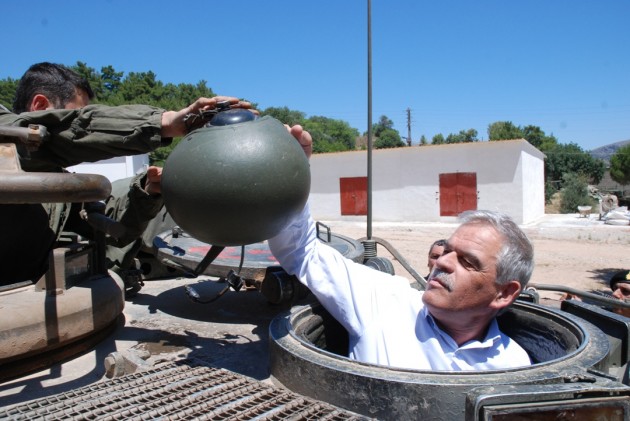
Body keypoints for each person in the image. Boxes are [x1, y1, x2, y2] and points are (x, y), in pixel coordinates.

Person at [269, 137, 535, 370]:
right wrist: (290, 170)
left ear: (504, 293)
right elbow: (301, 251)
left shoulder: (513, 366)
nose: (442, 261)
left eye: (467, 261)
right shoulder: (384, 301)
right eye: (447, 250)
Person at [0, 62, 252, 288]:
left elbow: (110, 230)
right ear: (40, 107)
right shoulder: (7, 135)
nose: (86, 125)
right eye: (74, 114)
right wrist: (165, 122)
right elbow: (34, 137)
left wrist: (147, 193)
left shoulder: (53, 190)